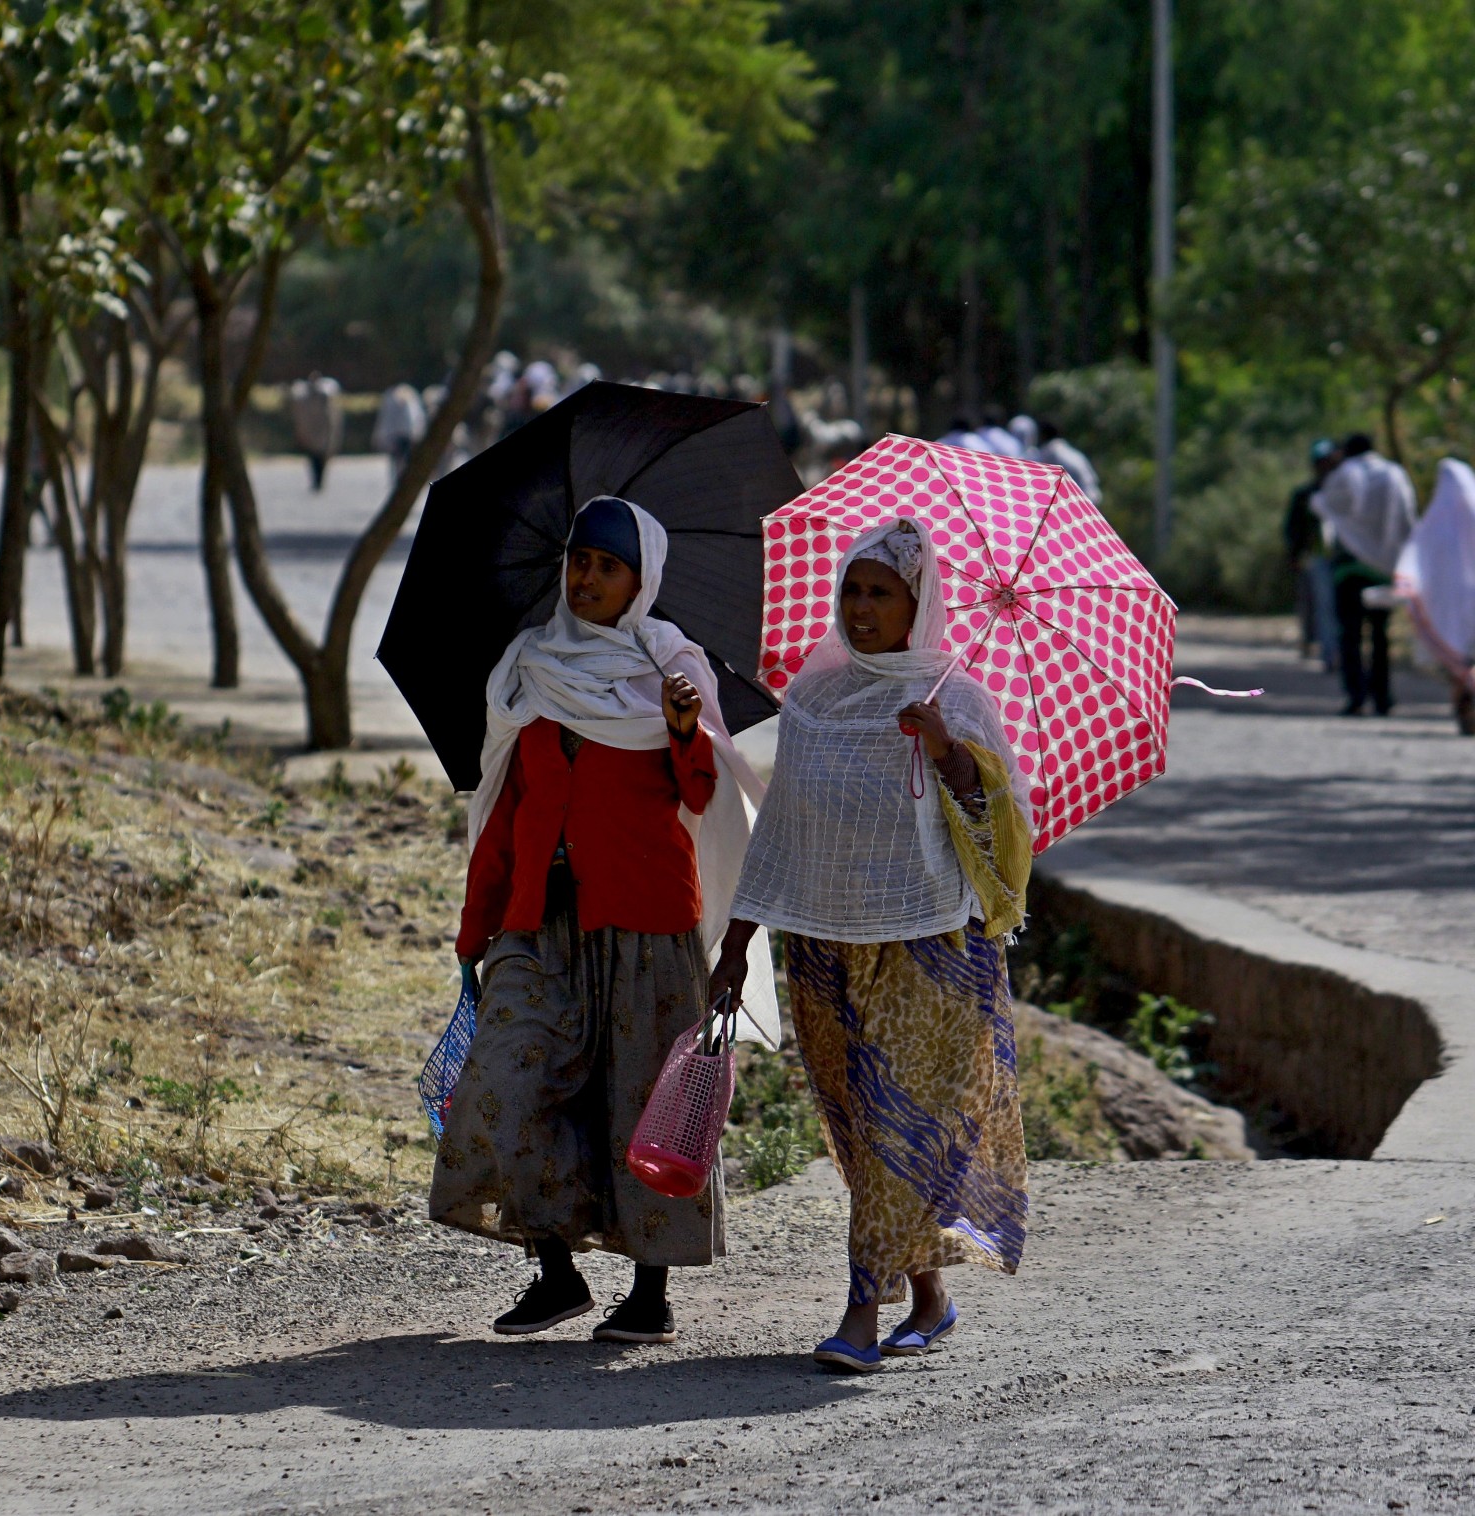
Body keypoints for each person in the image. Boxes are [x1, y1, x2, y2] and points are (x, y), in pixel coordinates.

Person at [430, 496, 776, 1347]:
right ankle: (555, 1274)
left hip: (646, 925)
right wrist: (477, 930)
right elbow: (504, 806)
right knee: (506, 1085)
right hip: (537, 926)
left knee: (639, 1106)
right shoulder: (527, 670)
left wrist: (685, 730)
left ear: (640, 580)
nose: (586, 578)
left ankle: (650, 1294)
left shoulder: (671, 671)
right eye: (579, 561)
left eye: (606, 566)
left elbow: (704, 794)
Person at [708, 518, 1032, 1373]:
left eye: (880, 593)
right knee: (865, 1133)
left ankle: (860, 1311)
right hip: (821, 945)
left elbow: (1004, 834)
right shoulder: (814, 699)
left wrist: (949, 754)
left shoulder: (956, 700)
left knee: (904, 1126)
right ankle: (929, 1299)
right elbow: (781, 827)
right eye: (851, 590)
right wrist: (737, 941)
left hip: (930, 945)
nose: (860, 608)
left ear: (917, 604)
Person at [1315, 433, 1418, 715]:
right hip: (1383, 569)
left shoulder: (1343, 475)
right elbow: (1407, 517)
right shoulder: (1394, 474)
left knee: (1350, 634)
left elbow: (1325, 508)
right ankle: (1383, 697)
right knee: (1380, 635)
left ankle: (1356, 696)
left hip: (1348, 569)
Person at [1395, 458, 1475, 734]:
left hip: (1446, 608)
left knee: (1459, 663)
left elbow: (1414, 563)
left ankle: (1464, 709)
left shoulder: (1433, 526)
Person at [1283, 439, 1341, 666]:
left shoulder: (1343, 491)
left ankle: (1336, 650)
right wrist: (1294, 555)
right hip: (1316, 558)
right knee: (1319, 605)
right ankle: (1328, 652)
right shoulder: (1305, 495)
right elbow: (1293, 528)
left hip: (1343, 558)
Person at [288, 374, 344, 491]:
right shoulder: (305, 398)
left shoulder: (324, 397)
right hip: (313, 436)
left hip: (320, 436)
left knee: (319, 460)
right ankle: (317, 482)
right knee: (314, 460)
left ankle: (318, 482)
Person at [1033, 418, 1101, 505]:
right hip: (1092, 495)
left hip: (1081, 497)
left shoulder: (1051, 450)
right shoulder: (1066, 449)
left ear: (1043, 434)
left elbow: (1037, 470)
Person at [371, 383, 426, 486]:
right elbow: (418, 419)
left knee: (399, 462)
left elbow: (385, 420)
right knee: (403, 461)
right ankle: (403, 482)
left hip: (400, 437)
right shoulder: (410, 396)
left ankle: (401, 482)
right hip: (405, 436)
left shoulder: (391, 398)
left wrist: (380, 436)